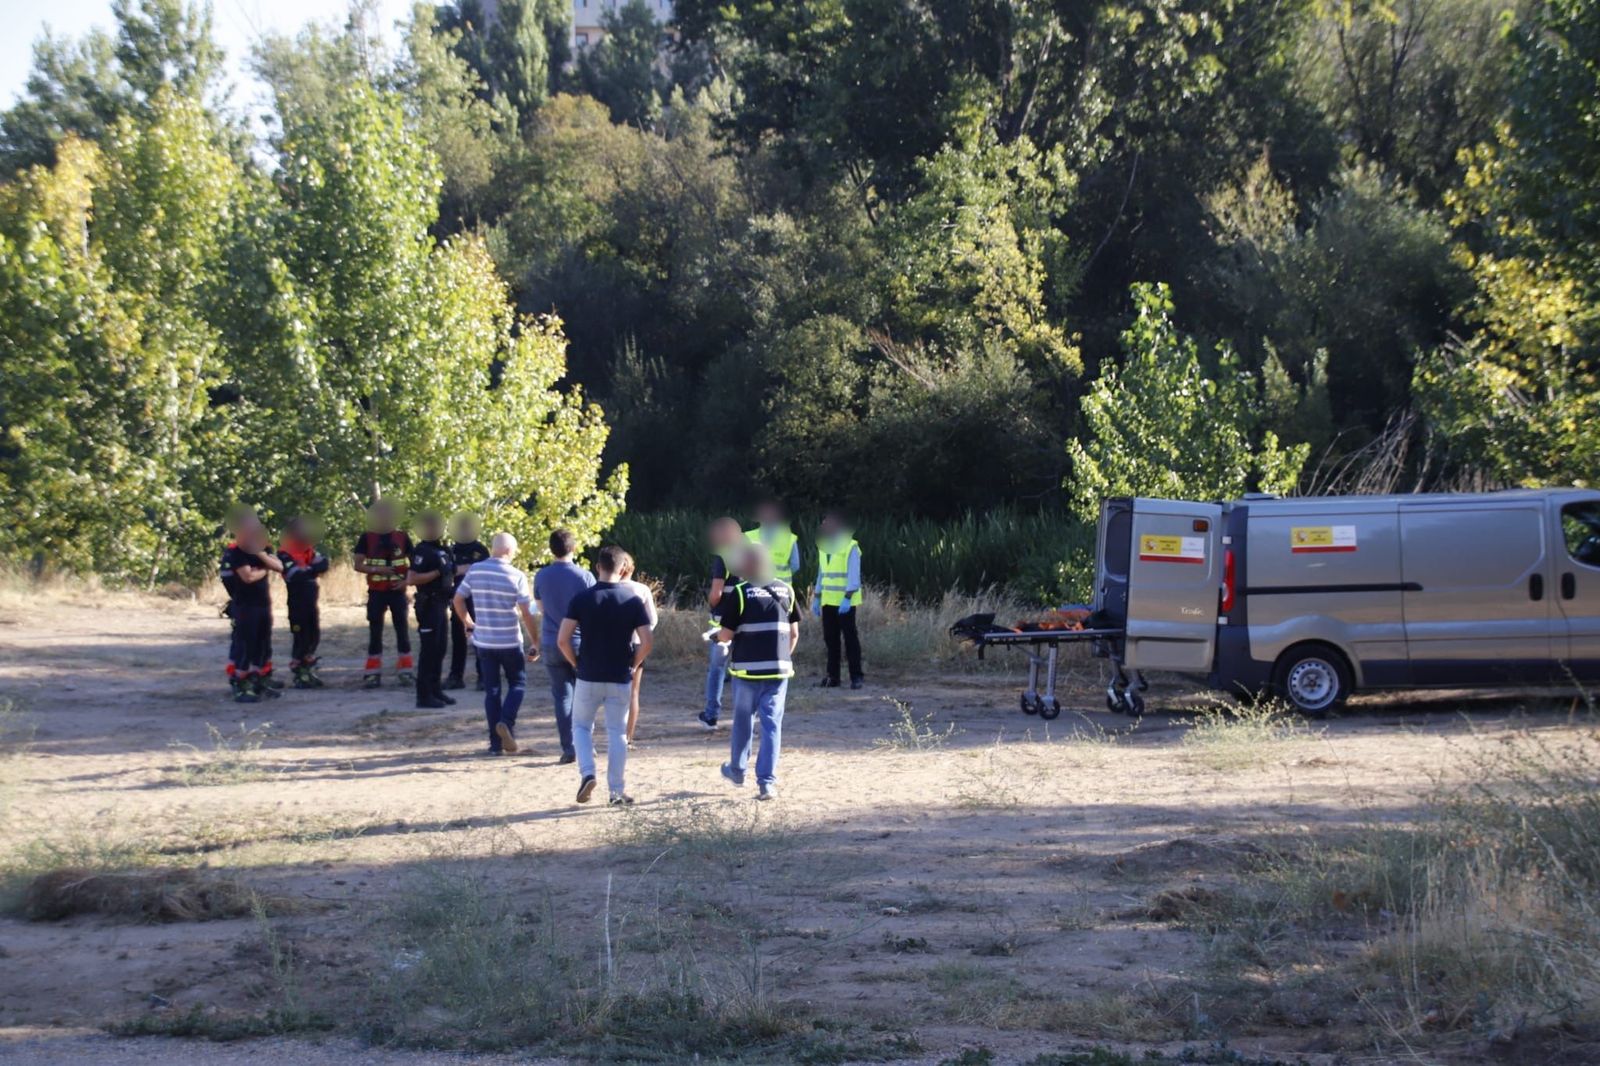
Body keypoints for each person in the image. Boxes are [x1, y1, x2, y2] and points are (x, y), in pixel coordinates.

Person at [557, 545, 654, 806]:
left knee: (580, 727)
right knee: (617, 733)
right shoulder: (633, 600)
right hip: (620, 675)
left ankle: (588, 772)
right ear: (623, 568)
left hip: (588, 673)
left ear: (597, 567)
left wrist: (575, 663)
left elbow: (563, 640)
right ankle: (616, 792)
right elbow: (646, 641)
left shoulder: (582, 599)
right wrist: (634, 664)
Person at [714, 543, 801, 801]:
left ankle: (738, 770)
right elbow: (794, 633)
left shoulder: (740, 594)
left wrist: (718, 638)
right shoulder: (787, 591)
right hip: (778, 672)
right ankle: (766, 783)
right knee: (772, 725)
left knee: (743, 723)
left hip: (747, 673)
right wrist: (782, 656)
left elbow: (726, 635)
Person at [453, 533, 540, 756]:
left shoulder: (476, 570)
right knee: (518, 684)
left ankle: (494, 744)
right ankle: (506, 722)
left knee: (491, 691)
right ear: (511, 551)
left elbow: (458, 599)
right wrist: (535, 640)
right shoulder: (517, 575)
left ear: (493, 549)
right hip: (509, 640)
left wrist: (468, 622)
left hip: (484, 641)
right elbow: (526, 612)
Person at [534, 529, 595, 765]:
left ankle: (568, 747)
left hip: (551, 640)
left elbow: (540, 608)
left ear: (551, 549)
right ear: (574, 548)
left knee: (561, 696)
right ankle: (585, 743)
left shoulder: (541, 576)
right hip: (580, 642)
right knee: (585, 697)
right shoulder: (584, 577)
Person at [221, 515, 285, 703]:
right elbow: (247, 577)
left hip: (263, 604)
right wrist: (265, 568)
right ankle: (241, 685)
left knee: (262, 645)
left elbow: (280, 566)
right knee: (245, 646)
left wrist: (261, 555)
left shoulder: (263, 548)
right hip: (245, 606)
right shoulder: (236, 552)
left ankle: (259, 681)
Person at [352, 500, 414, 689]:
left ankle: (406, 672)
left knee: (402, 631)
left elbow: (415, 564)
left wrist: (406, 582)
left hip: (398, 592)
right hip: (376, 593)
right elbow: (358, 564)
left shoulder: (403, 537)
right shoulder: (367, 537)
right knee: (375, 632)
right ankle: (372, 674)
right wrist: (377, 570)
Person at [407, 511, 458, 710]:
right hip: (428, 605)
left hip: (441, 604)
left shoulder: (442, 549)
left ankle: (435, 690)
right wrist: (438, 572)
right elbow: (412, 579)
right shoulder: (422, 550)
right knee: (428, 651)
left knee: (440, 648)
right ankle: (424, 695)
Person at [699, 516, 745, 731]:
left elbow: (716, 594)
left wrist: (711, 602)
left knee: (717, 670)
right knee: (740, 670)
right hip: (746, 622)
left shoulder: (723, 557)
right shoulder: (751, 555)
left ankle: (711, 715)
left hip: (722, 624)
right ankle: (743, 717)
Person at [813, 510, 865, 690]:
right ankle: (832, 677)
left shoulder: (850, 546)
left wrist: (848, 598)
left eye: (827, 523)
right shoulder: (824, 545)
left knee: (850, 639)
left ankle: (856, 677)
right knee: (831, 640)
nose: (823, 526)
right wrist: (817, 596)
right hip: (828, 601)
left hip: (845, 601)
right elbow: (822, 572)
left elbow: (853, 575)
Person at [277, 517, 330, 689]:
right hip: (297, 600)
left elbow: (323, 564)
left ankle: (308, 666)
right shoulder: (285, 552)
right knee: (300, 636)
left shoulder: (307, 550)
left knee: (313, 634)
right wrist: (310, 570)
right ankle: (299, 671)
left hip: (311, 599)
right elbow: (294, 574)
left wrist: (308, 570)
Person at [614, 551, 658, 744]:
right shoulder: (641, 589)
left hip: (609, 643)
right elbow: (652, 620)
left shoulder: (604, 588)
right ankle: (627, 737)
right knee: (633, 692)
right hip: (636, 644)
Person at [446, 513, 490, 691]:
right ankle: (456, 676)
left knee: (479, 638)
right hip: (458, 599)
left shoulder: (480, 550)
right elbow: (445, 573)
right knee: (458, 638)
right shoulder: (451, 550)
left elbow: (486, 572)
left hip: (478, 599)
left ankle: (483, 677)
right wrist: (461, 569)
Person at [746, 500, 800, 583]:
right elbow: (795, 566)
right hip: (782, 590)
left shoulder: (748, 537)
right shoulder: (789, 537)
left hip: (755, 590)